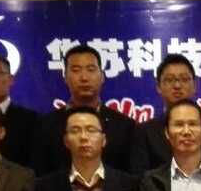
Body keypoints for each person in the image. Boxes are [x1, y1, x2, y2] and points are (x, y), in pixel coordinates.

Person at [33, 44, 135, 177]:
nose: (84, 78)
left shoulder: (125, 126)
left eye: (91, 69)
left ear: (102, 76)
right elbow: (38, 175)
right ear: (65, 77)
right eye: (76, 70)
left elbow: (131, 177)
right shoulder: (45, 125)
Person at [129, 54, 201, 176]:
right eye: (170, 80)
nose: (177, 86)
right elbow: (139, 177)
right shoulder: (144, 133)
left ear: (194, 86)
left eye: (184, 79)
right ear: (158, 87)